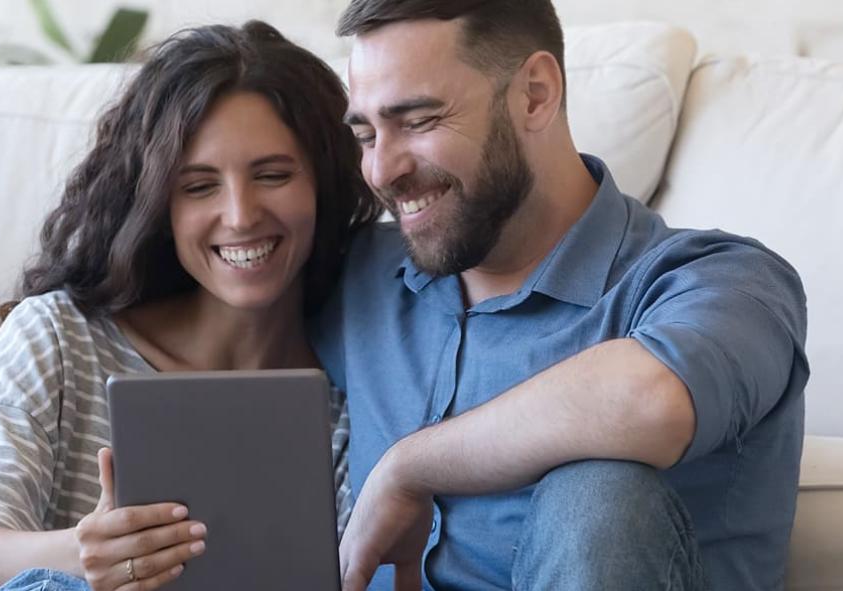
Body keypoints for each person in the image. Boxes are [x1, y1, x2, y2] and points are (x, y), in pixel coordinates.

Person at [314, 1, 810, 590]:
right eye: (367, 133)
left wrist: (407, 468)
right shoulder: (361, 274)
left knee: (597, 494)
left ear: (535, 94)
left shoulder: (722, 281)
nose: (380, 169)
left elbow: (650, 402)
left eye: (419, 120)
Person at [0, 21, 382, 591]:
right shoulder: (58, 336)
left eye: (272, 175)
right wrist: (82, 555)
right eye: (199, 186)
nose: (240, 215)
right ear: (159, 203)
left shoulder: (349, 401)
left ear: (324, 184)